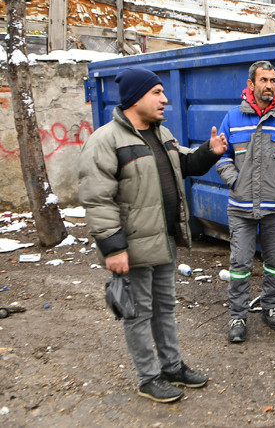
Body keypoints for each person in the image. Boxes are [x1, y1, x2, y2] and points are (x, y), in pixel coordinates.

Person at [79, 67, 227, 403]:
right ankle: (148, 377)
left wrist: (209, 151)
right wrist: (113, 248)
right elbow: (96, 198)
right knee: (137, 312)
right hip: (131, 246)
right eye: (157, 92)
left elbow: (183, 163)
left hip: (162, 239)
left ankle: (172, 366)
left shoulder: (161, 134)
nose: (165, 99)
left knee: (165, 307)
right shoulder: (105, 141)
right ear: (135, 98)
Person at [216, 60, 275, 343]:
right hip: (241, 208)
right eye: (264, 80)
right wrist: (235, 182)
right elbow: (223, 156)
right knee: (240, 264)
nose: (269, 85)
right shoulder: (233, 117)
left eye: (273, 81)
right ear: (251, 84)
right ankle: (237, 316)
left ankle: (271, 307)